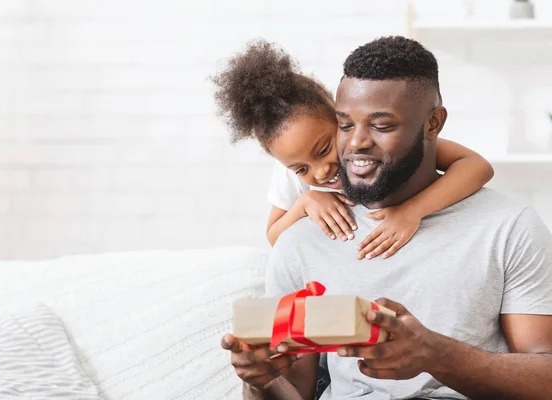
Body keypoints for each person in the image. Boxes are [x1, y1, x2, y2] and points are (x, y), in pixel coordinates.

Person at [221, 36, 552, 399]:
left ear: (433, 124)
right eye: (345, 125)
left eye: (380, 125)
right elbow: (293, 393)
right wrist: (261, 382)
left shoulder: (508, 226)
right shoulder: (302, 240)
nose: (356, 143)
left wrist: (436, 355)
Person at [212, 40, 494, 261]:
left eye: (323, 149)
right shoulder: (292, 173)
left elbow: (477, 166)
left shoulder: (378, 148)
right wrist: (305, 204)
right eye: (301, 169)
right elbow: (274, 235)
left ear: (340, 119)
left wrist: (412, 211)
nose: (321, 172)